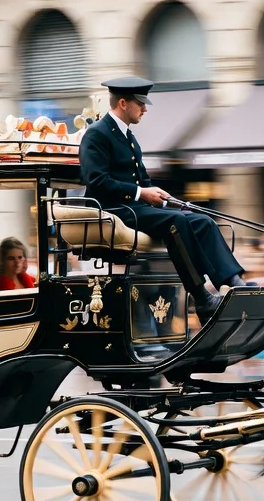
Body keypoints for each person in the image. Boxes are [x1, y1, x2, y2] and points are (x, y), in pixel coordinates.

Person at [79, 76, 253, 321]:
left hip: (136, 207)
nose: (145, 108)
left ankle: (232, 281)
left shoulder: (128, 136)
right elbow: (96, 180)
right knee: (177, 222)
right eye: (140, 103)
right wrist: (142, 193)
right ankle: (201, 297)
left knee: (201, 220)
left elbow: (142, 179)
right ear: (122, 103)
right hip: (115, 210)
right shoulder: (96, 135)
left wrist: (161, 197)